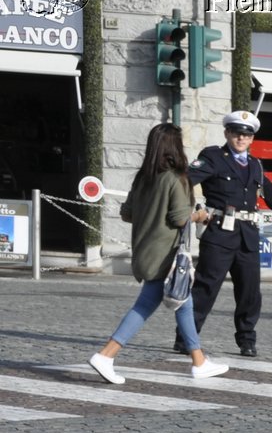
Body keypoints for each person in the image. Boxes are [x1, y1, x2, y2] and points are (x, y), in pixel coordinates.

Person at [89, 123, 228, 385]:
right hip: (166, 256)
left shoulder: (143, 177)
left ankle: (199, 361)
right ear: (175, 147)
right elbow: (178, 219)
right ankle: (106, 355)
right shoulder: (177, 178)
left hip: (145, 251)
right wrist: (201, 215)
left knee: (183, 302)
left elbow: (127, 213)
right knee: (145, 306)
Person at [178, 109, 272, 358]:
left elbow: (271, 193)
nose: (241, 138)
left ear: (252, 138)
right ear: (227, 133)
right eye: (236, 133)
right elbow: (185, 180)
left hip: (247, 237)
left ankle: (247, 340)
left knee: (249, 292)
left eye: (246, 135)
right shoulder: (213, 156)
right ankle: (185, 338)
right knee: (205, 288)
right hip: (219, 235)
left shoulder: (255, 164)